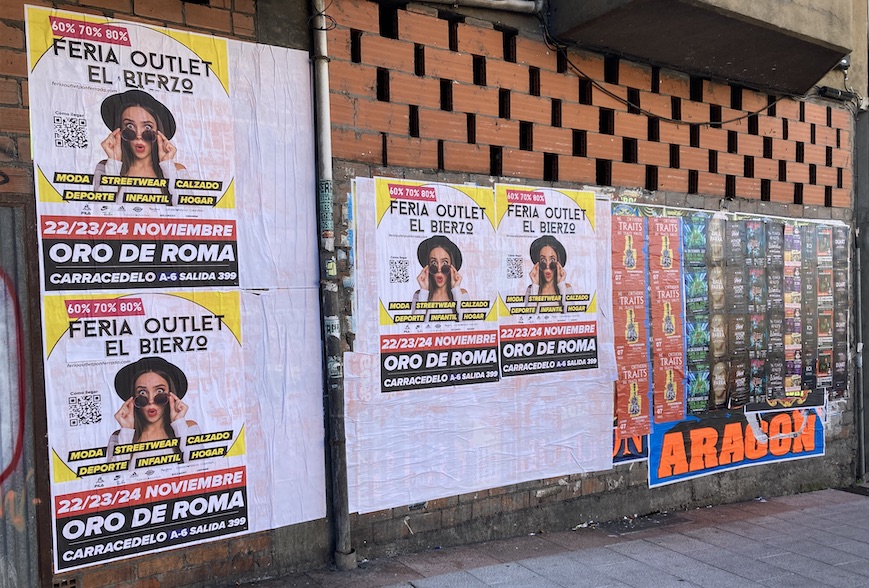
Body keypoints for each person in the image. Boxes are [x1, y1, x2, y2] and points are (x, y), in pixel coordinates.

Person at [93, 90, 188, 205]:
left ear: (159, 132)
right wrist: (114, 163)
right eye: (130, 126)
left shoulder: (176, 170)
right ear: (119, 131)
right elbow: (99, 211)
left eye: (147, 128)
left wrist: (167, 166)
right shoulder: (105, 167)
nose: (138, 136)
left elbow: (190, 211)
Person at [107, 357, 200, 468]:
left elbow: (200, 471)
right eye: (142, 392)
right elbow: (113, 480)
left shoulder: (188, 428)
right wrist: (127, 432)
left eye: (159, 391)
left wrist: (179, 424)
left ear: (171, 395)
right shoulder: (119, 437)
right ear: (133, 399)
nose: (151, 401)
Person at [411, 235, 467, 320]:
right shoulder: (419, 295)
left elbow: (469, 325)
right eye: (434, 263)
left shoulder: (462, 294)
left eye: (444, 263)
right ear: (428, 267)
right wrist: (424, 291)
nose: (439, 270)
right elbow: (414, 328)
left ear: (452, 267)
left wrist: (456, 289)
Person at [525, 235, 571, 312]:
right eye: (543, 261)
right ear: (538, 264)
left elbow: (572, 316)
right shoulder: (531, 289)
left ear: (558, 263)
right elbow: (527, 319)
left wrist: (561, 285)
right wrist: (535, 285)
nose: (547, 266)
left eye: (552, 260)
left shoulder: (566, 288)